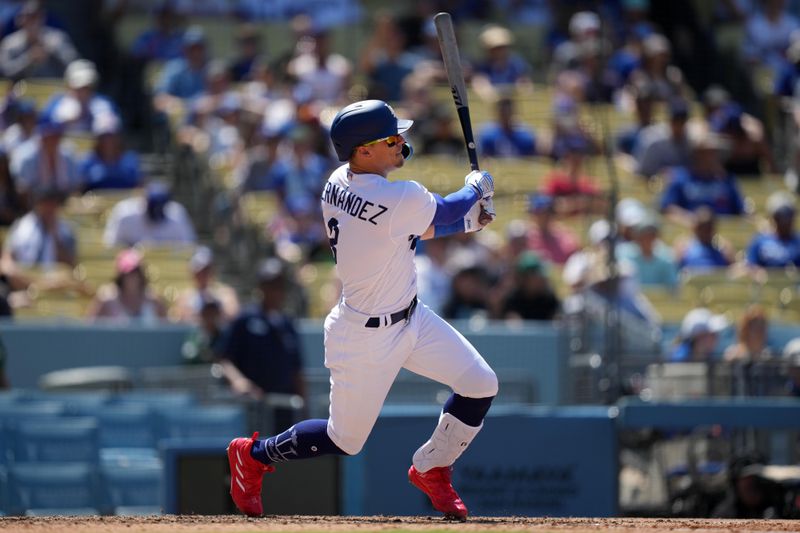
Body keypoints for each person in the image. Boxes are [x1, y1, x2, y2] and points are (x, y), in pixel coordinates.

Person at [226, 99, 498, 520]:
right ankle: (254, 455)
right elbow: (438, 211)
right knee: (344, 439)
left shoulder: (340, 179)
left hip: (411, 316)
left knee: (480, 384)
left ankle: (432, 468)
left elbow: (409, 229)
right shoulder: (397, 195)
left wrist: (469, 222)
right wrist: (476, 190)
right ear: (364, 151)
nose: (401, 143)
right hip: (365, 336)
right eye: (391, 139)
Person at [216, 258, 305, 429]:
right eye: (271, 284)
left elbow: (297, 370)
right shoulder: (245, 320)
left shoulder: (287, 324)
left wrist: (303, 409)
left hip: (284, 410)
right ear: (261, 286)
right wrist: (238, 380)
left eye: (279, 285)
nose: (276, 291)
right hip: (252, 411)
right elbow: (224, 359)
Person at [103, 181, 196, 248]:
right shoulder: (124, 213)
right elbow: (110, 246)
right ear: (144, 202)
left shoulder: (177, 214)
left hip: (166, 266)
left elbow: (188, 248)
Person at [0, 0, 77, 79]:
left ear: (43, 17)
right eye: (28, 17)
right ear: (20, 19)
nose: (32, 21)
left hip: (54, 88)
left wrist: (50, 51)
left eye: (36, 16)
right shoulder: (10, 43)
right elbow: (4, 72)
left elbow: (73, 65)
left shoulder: (57, 39)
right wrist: (29, 58)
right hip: (19, 89)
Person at [86, 248, 167, 323]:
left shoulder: (154, 301)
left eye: (136, 272)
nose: (132, 277)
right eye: (128, 273)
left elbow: (166, 330)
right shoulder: (106, 300)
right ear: (121, 276)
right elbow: (90, 329)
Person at [2, 187, 76, 268]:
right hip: (24, 275)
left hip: (55, 277)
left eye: (52, 204)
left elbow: (70, 264)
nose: (48, 208)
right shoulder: (21, 226)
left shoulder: (66, 230)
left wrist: (55, 236)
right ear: (37, 205)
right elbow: (7, 257)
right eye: (45, 204)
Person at [41, 59, 120, 134]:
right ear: (69, 86)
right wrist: (62, 123)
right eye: (78, 87)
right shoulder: (57, 104)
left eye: (87, 87)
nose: (83, 92)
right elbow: (43, 128)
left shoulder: (104, 105)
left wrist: (103, 124)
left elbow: (115, 133)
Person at [173, 246, 239, 323]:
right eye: (199, 272)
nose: (203, 274)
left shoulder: (226, 293)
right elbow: (180, 318)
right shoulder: (185, 297)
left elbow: (233, 314)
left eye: (207, 270)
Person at [80, 114, 141, 191]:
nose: (108, 141)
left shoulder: (130, 161)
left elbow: (139, 187)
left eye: (111, 136)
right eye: (104, 136)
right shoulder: (87, 163)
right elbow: (80, 191)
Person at [745, 191, 800, 269]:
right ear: (773, 217)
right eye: (781, 216)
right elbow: (751, 266)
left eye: (789, 215)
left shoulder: (798, 241)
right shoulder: (759, 241)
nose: (785, 221)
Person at [499, 251, 560, 321]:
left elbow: (556, 321)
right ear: (524, 279)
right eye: (535, 276)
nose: (541, 279)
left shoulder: (550, 299)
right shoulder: (512, 299)